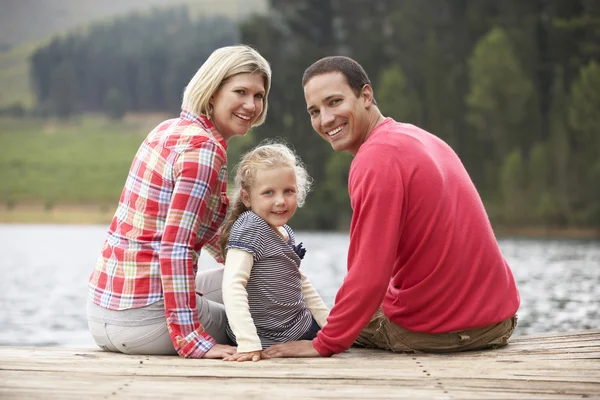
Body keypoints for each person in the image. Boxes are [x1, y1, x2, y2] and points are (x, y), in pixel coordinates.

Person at [264, 56, 520, 359]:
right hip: (499, 320)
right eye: (315, 111)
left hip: (449, 330)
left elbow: (368, 276)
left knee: (313, 324)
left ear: (366, 96)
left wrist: (324, 344)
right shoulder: (416, 137)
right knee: (351, 311)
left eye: (334, 102)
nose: (326, 119)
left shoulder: (376, 159)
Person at [87, 44, 272, 359]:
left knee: (260, 277)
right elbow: (176, 249)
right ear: (213, 92)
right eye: (240, 92)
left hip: (102, 315)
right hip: (145, 322)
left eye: (259, 96)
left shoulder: (167, 130)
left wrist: (271, 265)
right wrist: (192, 341)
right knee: (268, 325)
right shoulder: (204, 150)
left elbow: (211, 234)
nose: (251, 105)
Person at [217, 143, 329, 362]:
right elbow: (233, 284)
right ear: (247, 198)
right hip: (265, 336)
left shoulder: (284, 230)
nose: (280, 201)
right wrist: (248, 342)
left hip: (294, 329)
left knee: (350, 330)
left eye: (289, 191)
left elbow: (299, 281)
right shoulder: (250, 225)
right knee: (363, 328)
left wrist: (328, 324)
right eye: (268, 193)